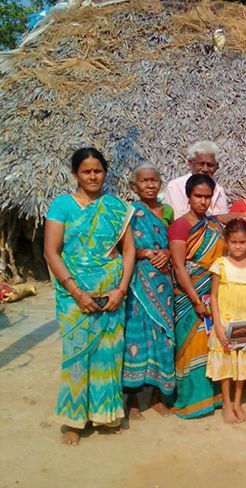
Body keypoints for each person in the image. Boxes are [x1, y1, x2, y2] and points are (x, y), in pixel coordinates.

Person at [44, 148, 135, 446]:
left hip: (112, 295)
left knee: (108, 354)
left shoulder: (116, 207)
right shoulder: (62, 205)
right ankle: (73, 420)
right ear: (75, 174)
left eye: (98, 171)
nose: (93, 176)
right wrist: (76, 292)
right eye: (86, 171)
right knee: (76, 356)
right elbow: (51, 252)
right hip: (73, 296)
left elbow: (128, 250)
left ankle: (105, 414)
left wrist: (121, 289)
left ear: (105, 173)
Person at [168, 174, 225, 419]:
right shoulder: (180, 226)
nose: (203, 201)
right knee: (190, 346)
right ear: (188, 197)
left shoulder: (214, 226)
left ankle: (212, 398)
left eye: (207, 196)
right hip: (188, 296)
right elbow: (179, 266)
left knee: (210, 345)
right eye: (198, 196)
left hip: (212, 293)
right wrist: (195, 300)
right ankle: (189, 401)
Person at [122, 164, 176, 419]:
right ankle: (132, 400)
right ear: (134, 186)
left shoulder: (168, 212)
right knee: (136, 338)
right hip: (137, 283)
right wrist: (141, 252)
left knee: (164, 338)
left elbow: (175, 242)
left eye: (154, 180)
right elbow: (120, 246)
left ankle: (156, 396)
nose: (150, 185)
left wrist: (166, 252)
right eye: (144, 181)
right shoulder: (129, 212)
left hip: (163, 283)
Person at [206, 219, 246, 424]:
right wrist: (218, 325)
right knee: (226, 364)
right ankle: (227, 403)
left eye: (242, 242)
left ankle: (238, 403)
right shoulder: (220, 265)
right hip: (225, 321)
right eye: (233, 242)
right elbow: (214, 296)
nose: (238, 247)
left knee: (242, 364)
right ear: (226, 241)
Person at [164, 141, 229, 219]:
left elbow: (224, 221)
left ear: (216, 167)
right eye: (201, 164)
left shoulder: (219, 190)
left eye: (210, 165)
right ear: (190, 163)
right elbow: (180, 220)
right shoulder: (176, 186)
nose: (205, 169)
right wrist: (218, 219)